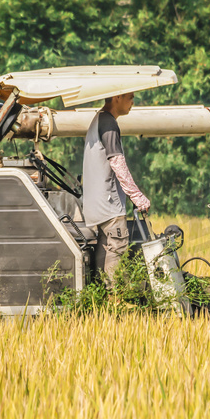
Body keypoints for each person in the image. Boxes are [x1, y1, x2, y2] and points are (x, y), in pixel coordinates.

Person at [82, 91, 151, 283]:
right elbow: (117, 163)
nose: (133, 102)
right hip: (109, 204)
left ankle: (103, 299)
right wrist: (137, 196)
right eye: (130, 97)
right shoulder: (109, 123)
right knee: (117, 249)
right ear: (116, 97)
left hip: (96, 203)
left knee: (105, 251)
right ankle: (116, 298)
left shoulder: (98, 120)